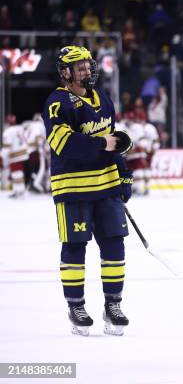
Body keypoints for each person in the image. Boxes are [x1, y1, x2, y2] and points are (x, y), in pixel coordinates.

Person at [42, 46, 134, 336]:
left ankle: (113, 305)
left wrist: (124, 174)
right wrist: (101, 144)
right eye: (79, 67)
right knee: (74, 246)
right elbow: (63, 145)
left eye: (87, 65)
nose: (87, 71)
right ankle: (76, 305)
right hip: (73, 189)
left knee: (114, 245)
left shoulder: (103, 99)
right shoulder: (57, 103)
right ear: (65, 73)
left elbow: (112, 142)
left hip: (106, 186)